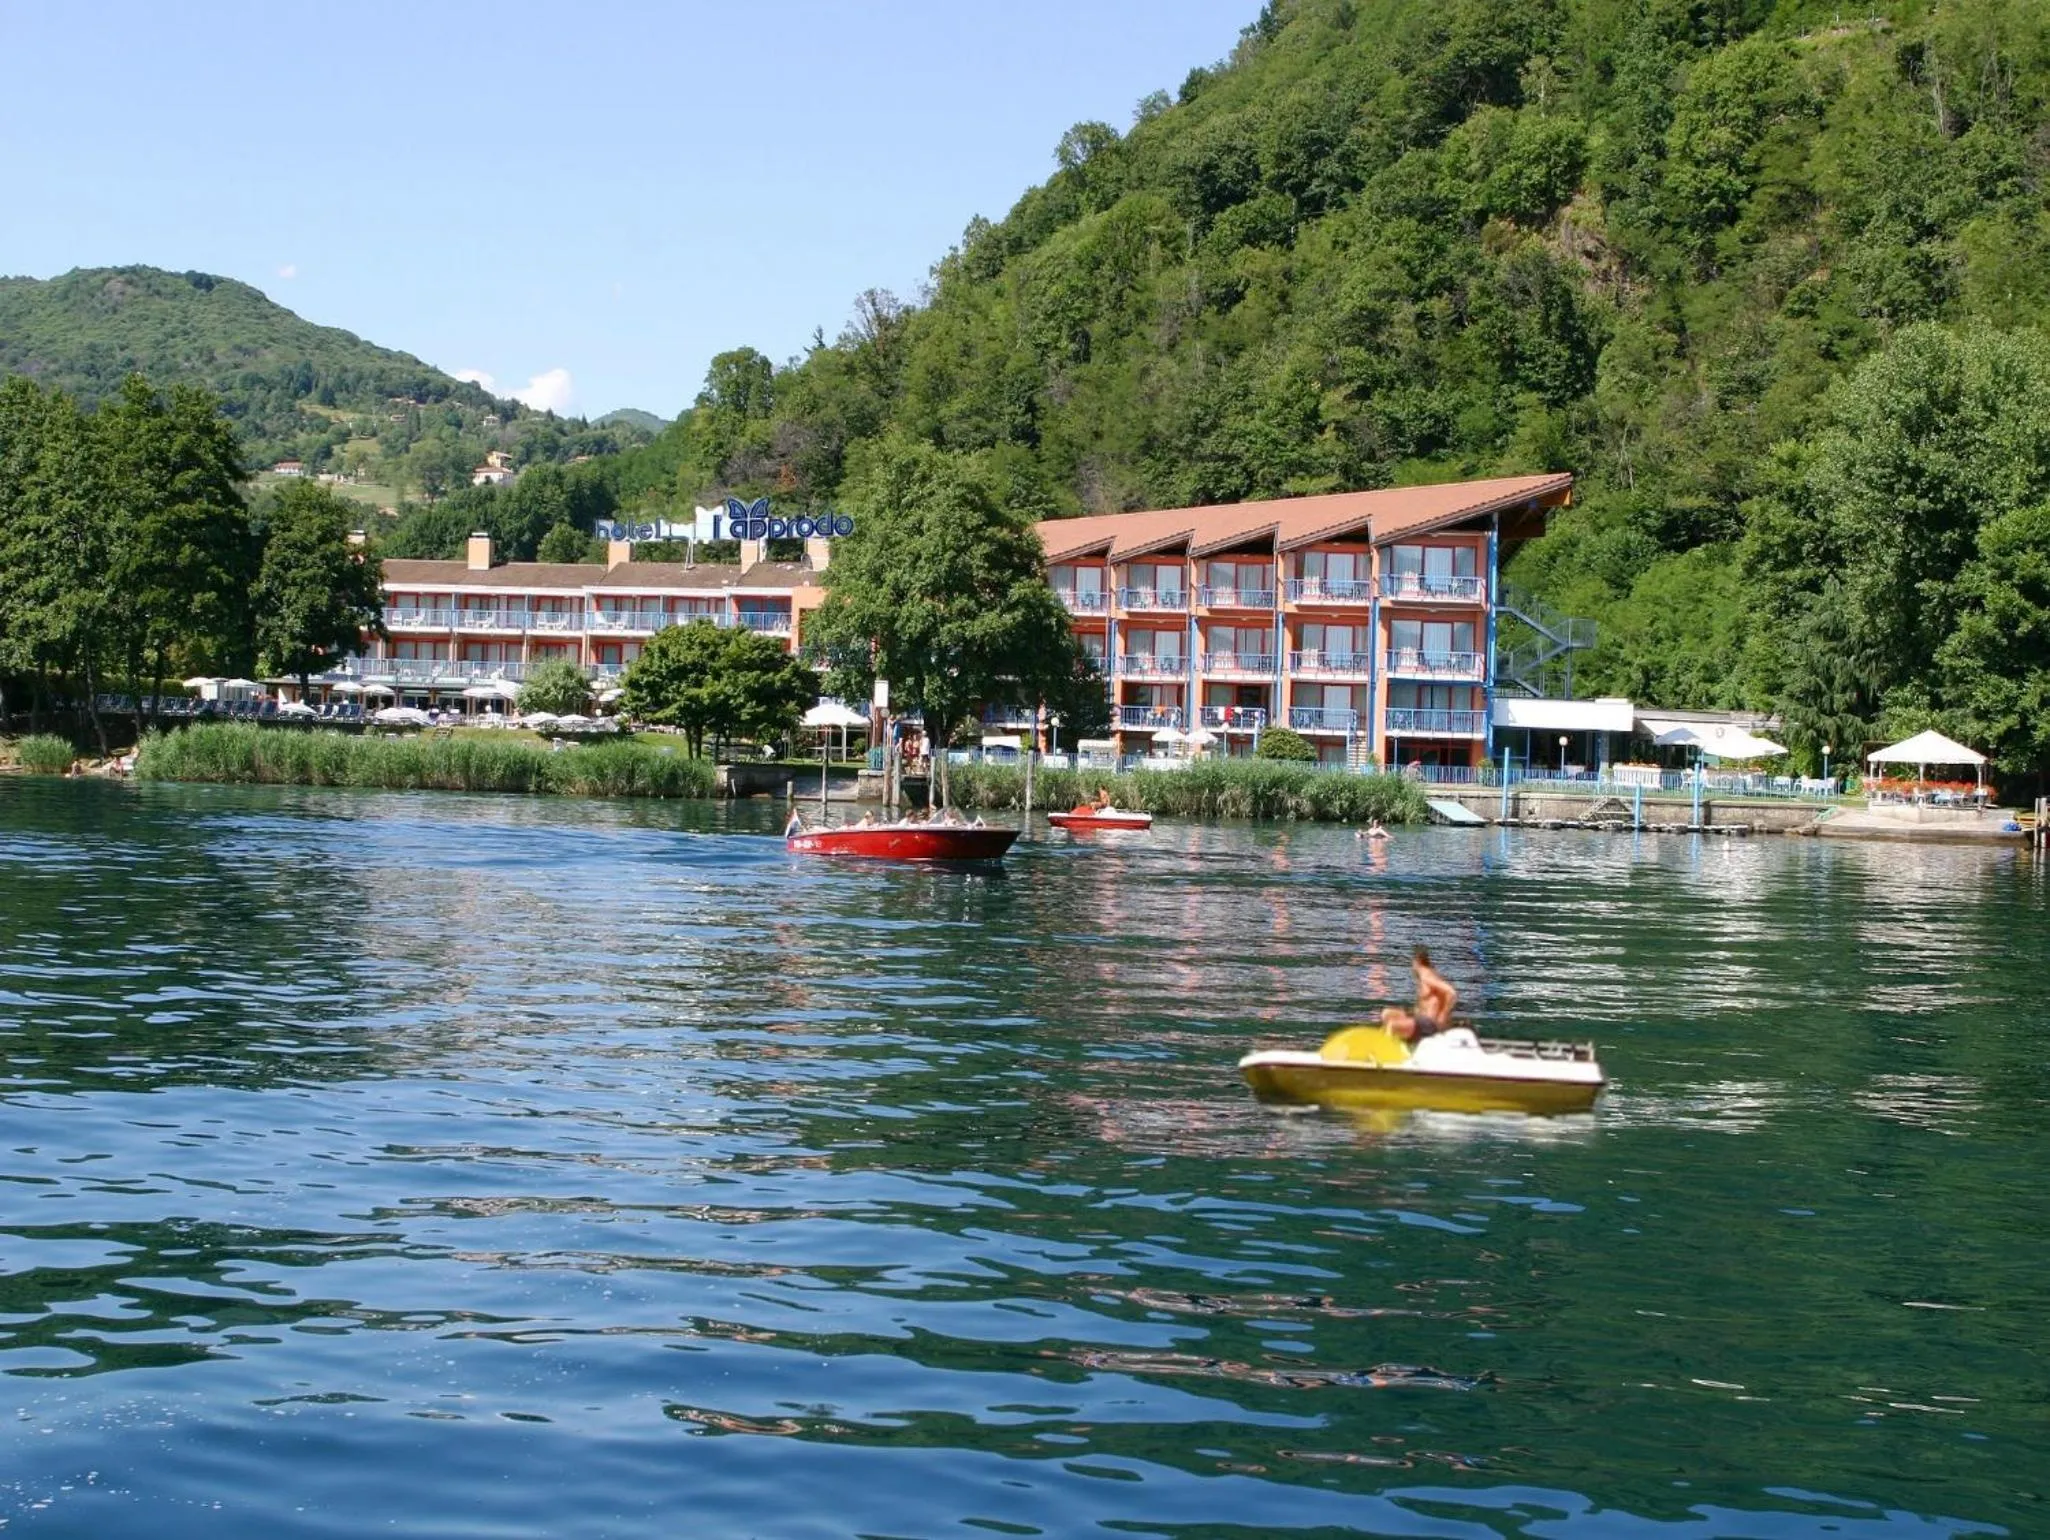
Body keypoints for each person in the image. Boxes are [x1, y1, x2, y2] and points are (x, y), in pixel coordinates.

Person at [1379, 946, 1457, 1042]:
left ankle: (1388, 1049)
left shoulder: (1426, 976)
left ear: (1416, 962)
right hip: (1421, 1020)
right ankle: (1396, 1041)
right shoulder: (1426, 976)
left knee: (1393, 1025)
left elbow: (1451, 992)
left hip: (1429, 1024)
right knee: (1387, 1013)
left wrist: (1443, 1014)